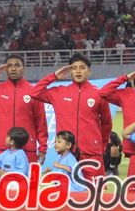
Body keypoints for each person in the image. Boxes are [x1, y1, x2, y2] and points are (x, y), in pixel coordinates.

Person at [31, 53, 112, 181]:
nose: (78, 71)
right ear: (69, 72)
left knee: (97, 193)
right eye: (74, 68)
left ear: (89, 71)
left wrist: (100, 146)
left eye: (82, 67)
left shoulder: (99, 94)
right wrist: (54, 76)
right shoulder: (59, 92)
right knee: (67, 193)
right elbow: (34, 92)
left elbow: (107, 123)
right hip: (68, 154)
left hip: (92, 154)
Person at [0, 55, 48, 163]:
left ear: (23, 68)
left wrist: (42, 148)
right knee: (3, 179)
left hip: (27, 149)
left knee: (27, 180)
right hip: (2, 149)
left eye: (17, 65)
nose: (13, 69)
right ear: (5, 69)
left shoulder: (33, 91)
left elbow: (40, 121)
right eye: (10, 66)